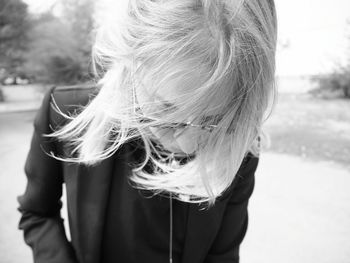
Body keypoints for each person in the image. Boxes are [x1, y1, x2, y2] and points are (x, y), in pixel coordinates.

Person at [17, 0, 277, 262]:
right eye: (167, 112)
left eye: (215, 120)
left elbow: (222, 255)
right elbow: (37, 213)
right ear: (129, 62)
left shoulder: (237, 143)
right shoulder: (65, 112)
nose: (188, 146)